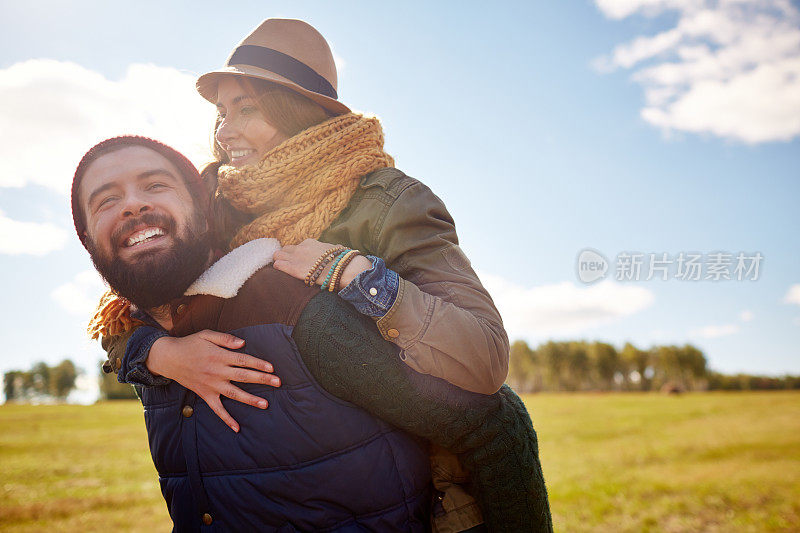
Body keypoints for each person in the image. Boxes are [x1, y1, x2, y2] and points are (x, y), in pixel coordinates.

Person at [92, 19, 520, 531]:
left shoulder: (386, 202)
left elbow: (484, 358)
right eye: (221, 112)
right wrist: (162, 355)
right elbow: (123, 311)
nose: (225, 132)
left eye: (247, 108)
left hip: (397, 498)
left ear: (300, 110)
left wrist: (354, 274)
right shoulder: (211, 203)